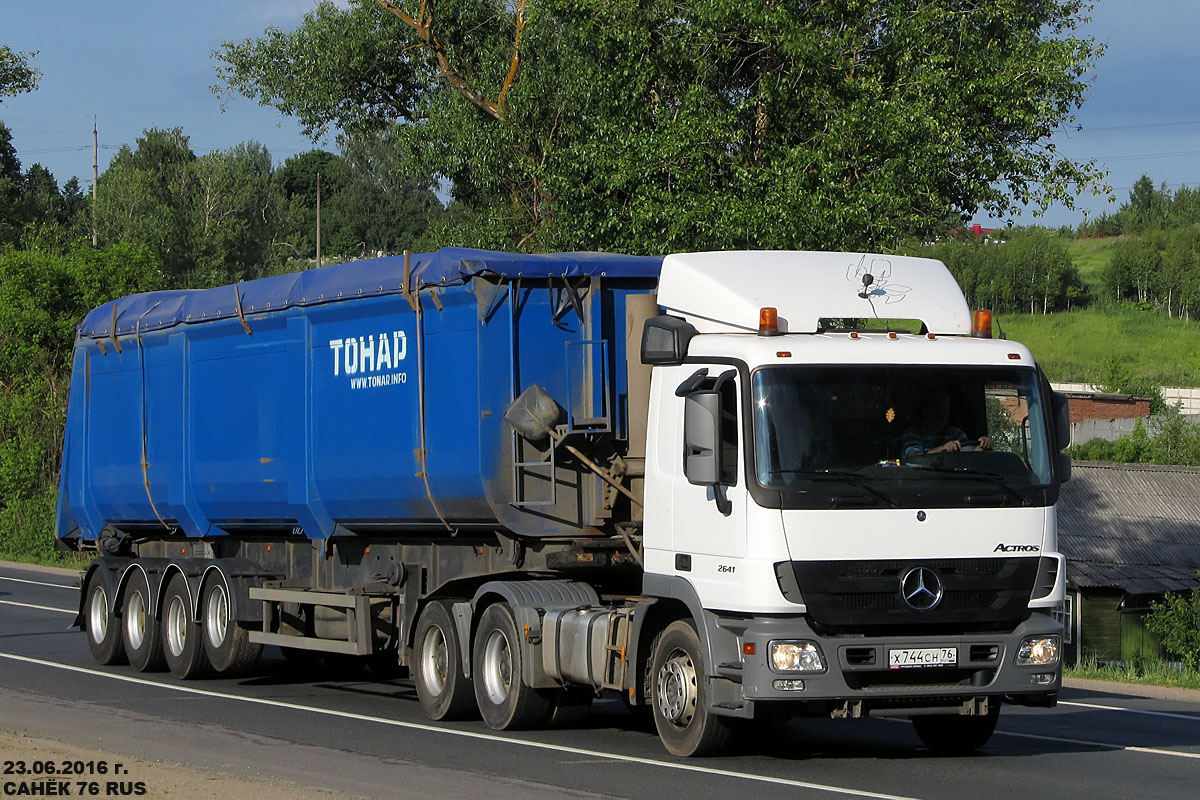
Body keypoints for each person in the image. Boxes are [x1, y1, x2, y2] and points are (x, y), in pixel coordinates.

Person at [902, 392, 992, 459]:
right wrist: (943, 449)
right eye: (938, 408)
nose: (944, 413)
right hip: (919, 480)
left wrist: (982, 445)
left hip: (954, 481)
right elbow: (914, 457)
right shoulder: (912, 434)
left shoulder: (955, 433)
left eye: (946, 408)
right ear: (927, 410)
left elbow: (969, 455)